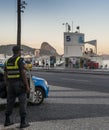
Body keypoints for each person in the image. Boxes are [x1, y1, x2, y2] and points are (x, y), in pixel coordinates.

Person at [4, 45, 30, 128]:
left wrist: (7, 85)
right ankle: (23, 122)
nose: (21, 52)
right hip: (19, 84)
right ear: (18, 51)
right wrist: (27, 85)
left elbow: (5, 74)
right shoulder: (20, 60)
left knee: (10, 102)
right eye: (20, 51)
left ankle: (7, 121)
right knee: (22, 102)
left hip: (10, 85)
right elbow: (23, 73)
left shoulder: (7, 61)